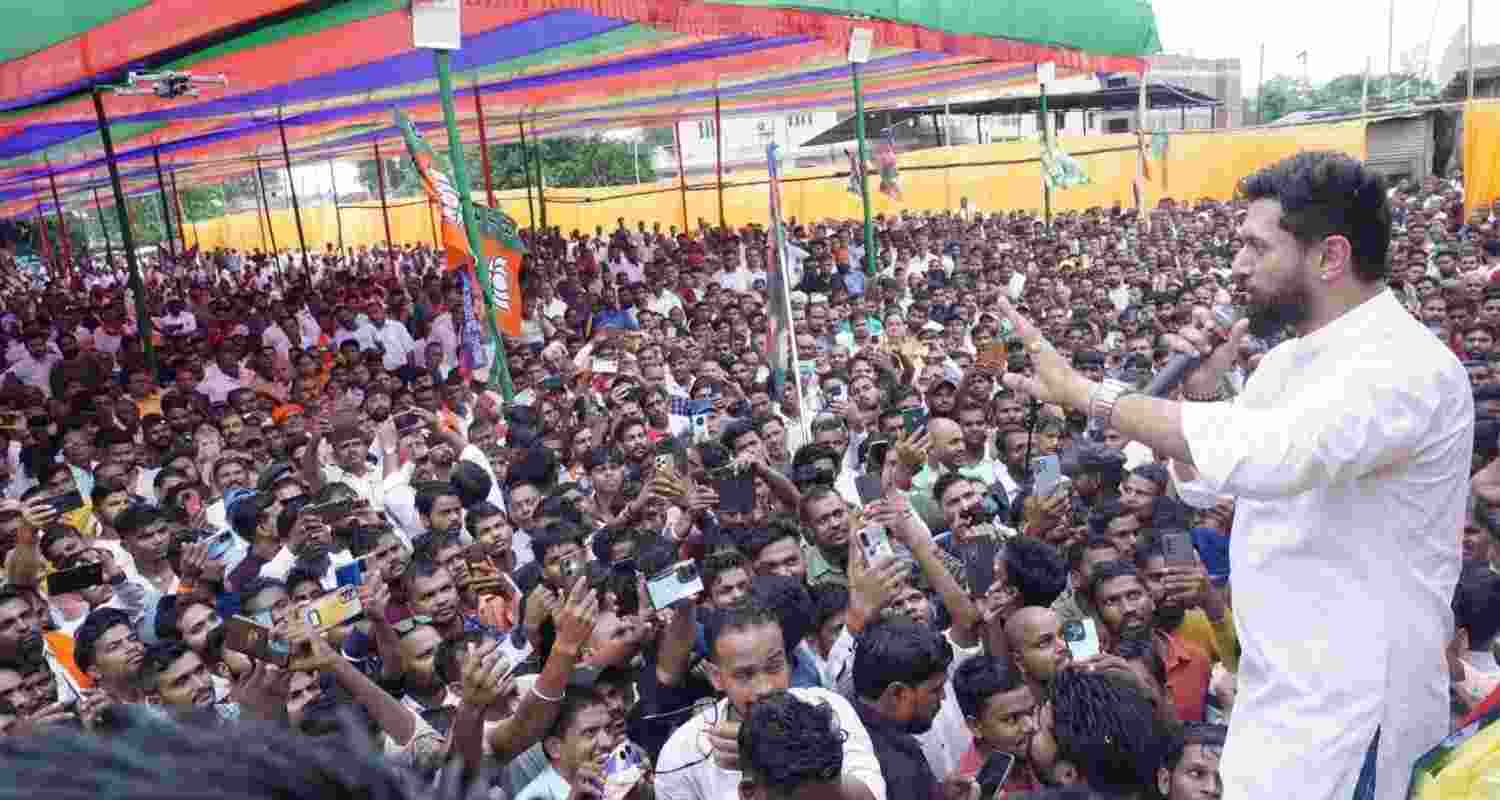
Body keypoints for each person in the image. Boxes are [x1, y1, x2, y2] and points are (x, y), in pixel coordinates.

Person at [995, 151, 1472, 800]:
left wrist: (1093, 395)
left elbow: (1271, 453)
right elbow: (1213, 483)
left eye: (1255, 246)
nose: (1238, 265)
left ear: (1329, 257)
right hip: (1277, 701)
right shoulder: (1285, 364)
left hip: (1357, 716)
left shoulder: (1406, 367)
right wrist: (1195, 391)